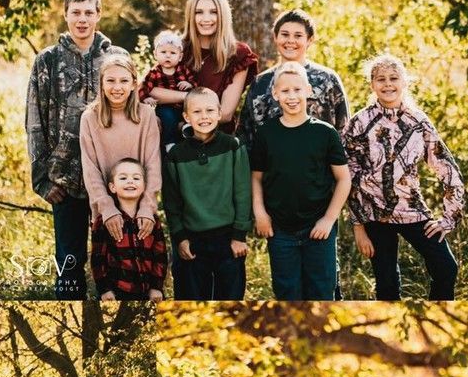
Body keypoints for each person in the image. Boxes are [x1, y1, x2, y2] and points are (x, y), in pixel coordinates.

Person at [342, 54, 465, 301]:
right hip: (375, 214)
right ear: (372, 84)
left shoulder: (418, 121)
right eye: (381, 79)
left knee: (446, 268)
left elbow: (447, 168)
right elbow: (348, 177)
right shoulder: (359, 123)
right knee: (387, 284)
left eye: (394, 78)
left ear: (404, 82)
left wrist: (448, 218)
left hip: (411, 209)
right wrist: (359, 226)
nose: (388, 84)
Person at [26, 0, 112, 299]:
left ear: (98, 15)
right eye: (76, 12)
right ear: (65, 15)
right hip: (64, 179)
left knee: (114, 262)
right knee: (69, 262)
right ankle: (70, 310)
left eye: (89, 12)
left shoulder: (115, 58)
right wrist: (42, 179)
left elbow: (133, 115)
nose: (82, 19)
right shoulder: (48, 60)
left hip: (110, 178)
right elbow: (34, 121)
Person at [250, 62, 351, 301]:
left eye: (297, 89)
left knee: (322, 292)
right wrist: (260, 213)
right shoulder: (266, 133)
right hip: (280, 229)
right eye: (285, 91)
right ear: (275, 94)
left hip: (318, 228)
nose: (292, 96)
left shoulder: (325, 133)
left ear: (308, 90)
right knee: (287, 293)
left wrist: (329, 219)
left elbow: (344, 179)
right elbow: (256, 178)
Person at [163, 88, 252, 301]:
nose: (204, 116)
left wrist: (239, 235)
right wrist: (180, 238)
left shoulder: (233, 146)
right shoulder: (176, 155)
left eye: (210, 110)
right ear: (186, 117)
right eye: (197, 111)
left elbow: (243, 193)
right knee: (191, 300)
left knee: (230, 300)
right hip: (192, 239)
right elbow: (171, 201)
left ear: (220, 113)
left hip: (228, 239)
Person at [78, 49, 162, 249]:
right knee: (109, 266)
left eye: (124, 81)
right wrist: (106, 207)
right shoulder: (89, 118)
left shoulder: (146, 115)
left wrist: (147, 206)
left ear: (134, 84)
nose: (117, 87)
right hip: (106, 214)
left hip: (141, 213)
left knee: (147, 266)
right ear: (101, 83)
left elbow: (153, 164)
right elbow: (90, 170)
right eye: (110, 81)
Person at [237, 10, 350, 154]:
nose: (290, 40)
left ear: (309, 40)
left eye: (298, 36)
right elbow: (246, 135)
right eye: (285, 34)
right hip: (270, 166)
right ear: (275, 37)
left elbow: (345, 132)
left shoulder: (327, 80)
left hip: (319, 165)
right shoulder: (260, 83)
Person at [179, 0, 258, 133]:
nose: (206, 19)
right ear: (191, 16)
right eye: (199, 12)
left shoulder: (238, 54)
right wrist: (186, 96)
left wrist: (188, 121)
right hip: (177, 137)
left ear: (223, 15)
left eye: (214, 12)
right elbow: (151, 90)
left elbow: (226, 113)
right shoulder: (178, 49)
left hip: (219, 138)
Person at [90, 158, 168, 301]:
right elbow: (98, 260)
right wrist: (105, 290)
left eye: (136, 178)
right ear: (112, 187)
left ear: (144, 186)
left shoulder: (152, 220)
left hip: (148, 293)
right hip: (116, 293)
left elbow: (160, 256)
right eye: (123, 178)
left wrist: (156, 287)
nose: (130, 181)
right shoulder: (103, 221)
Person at [140, 30, 193, 149]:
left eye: (173, 53)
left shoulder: (183, 70)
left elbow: (194, 82)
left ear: (180, 56)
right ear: (155, 54)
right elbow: (144, 87)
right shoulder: (154, 73)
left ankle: (186, 128)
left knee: (191, 111)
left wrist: (189, 84)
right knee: (167, 117)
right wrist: (146, 98)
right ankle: (169, 142)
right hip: (165, 106)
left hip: (183, 105)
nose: (168, 56)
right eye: (163, 52)